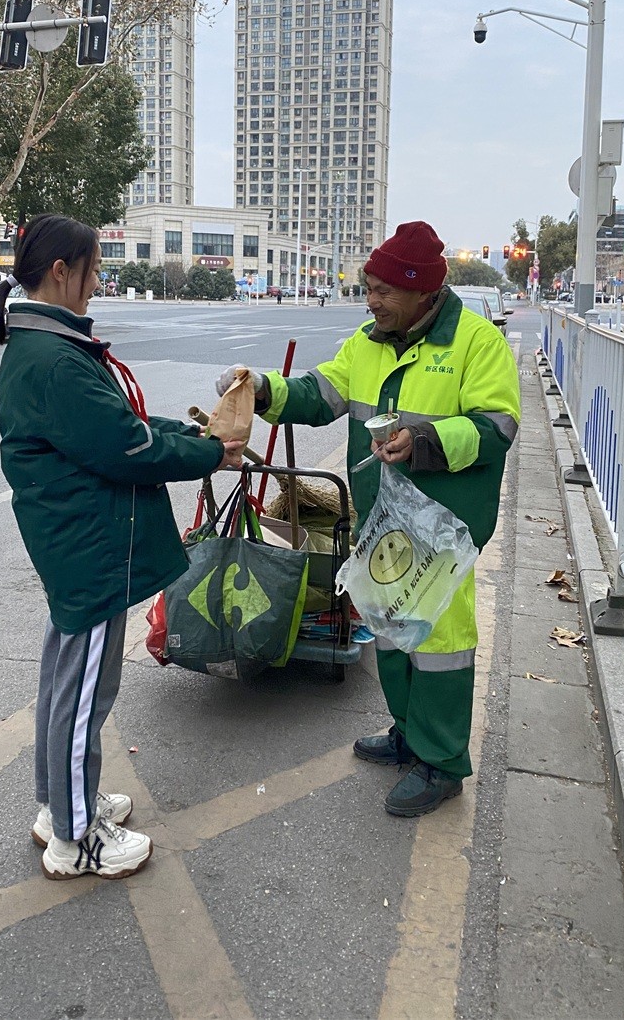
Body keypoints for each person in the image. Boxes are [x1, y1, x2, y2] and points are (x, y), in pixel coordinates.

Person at [214, 221, 520, 816]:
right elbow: (319, 394)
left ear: (422, 292)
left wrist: (425, 439)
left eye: (383, 289)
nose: (371, 299)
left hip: (443, 528)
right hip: (384, 520)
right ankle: (408, 732)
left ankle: (442, 763)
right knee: (389, 629)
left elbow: (497, 428)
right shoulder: (366, 342)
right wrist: (261, 389)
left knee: (439, 644)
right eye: (369, 286)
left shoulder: (476, 343)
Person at [0, 214, 245, 880]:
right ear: (62, 272)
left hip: (78, 542)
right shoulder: (51, 358)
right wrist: (210, 451)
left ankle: (58, 808)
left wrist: (206, 444)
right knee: (85, 695)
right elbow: (127, 447)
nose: (97, 284)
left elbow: (121, 426)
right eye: (94, 271)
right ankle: (75, 840)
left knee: (66, 686)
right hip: (90, 547)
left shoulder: (50, 348)